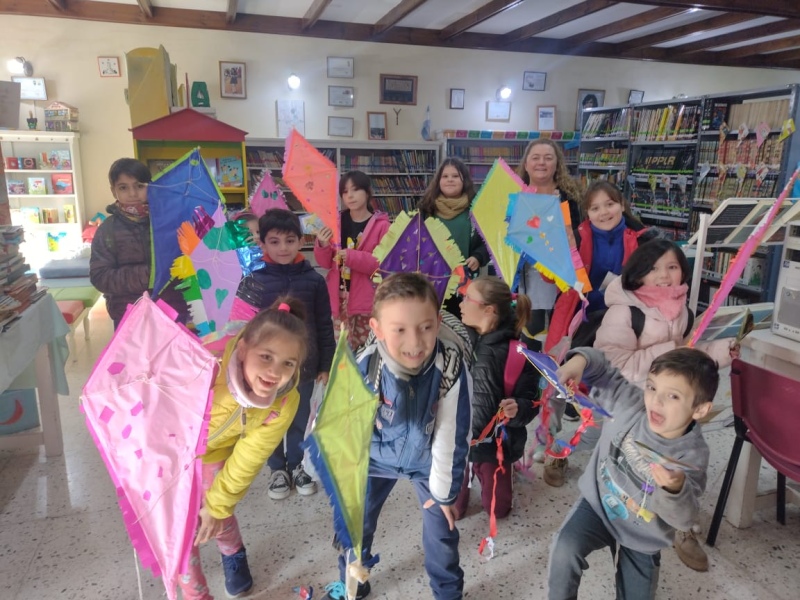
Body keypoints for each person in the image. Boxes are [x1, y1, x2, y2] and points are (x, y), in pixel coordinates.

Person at [321, 273, 472, 600]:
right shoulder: (364, 365)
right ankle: (353, 583)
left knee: (442, 533)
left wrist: (445, 494)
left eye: (426, 327)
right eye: (400, 329)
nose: (415, 342)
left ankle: (448, 593)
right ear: (376, 329)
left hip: (426, 463)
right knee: (354, 528)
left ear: (438, 320)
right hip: (373, 460)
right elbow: (340, 431)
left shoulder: (449, 365)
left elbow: (452, 434)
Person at [592, 238, 739, 572]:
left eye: (672, 267)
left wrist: (721, 352)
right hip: (630, 402)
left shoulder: (682, 309)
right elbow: (612, 363)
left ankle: (682, 527)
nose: (663, 275)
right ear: (638, 273)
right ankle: (561, 458)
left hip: (671, 405)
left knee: (676, 466)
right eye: (654, 267)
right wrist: (669, 354)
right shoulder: (624, 311)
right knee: (612, 450)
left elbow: (691, 352)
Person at [547, 346, 720, 600]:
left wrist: (674, 489)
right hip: (598, 505)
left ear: (700, 410)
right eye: (651, 387)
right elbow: (602, 369)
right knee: (564, 550)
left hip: (645, 533)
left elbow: (683, 519)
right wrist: (580, 361)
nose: (656, 401)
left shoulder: (691, 455)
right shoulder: (629, 403)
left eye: (672, 396)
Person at [179, 298, 307, 600]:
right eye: (266, 356)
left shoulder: (285, 401)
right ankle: (195, 594)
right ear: (244, 348)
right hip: (171, 450)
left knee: (219, 512)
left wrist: (217, 507)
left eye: (288, 363)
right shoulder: (208, 362)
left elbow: (248, 459)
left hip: (215, 451)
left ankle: (232, 552)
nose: (275, 371)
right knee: (180, 531)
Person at [235, 208, 335, 500]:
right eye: (275, 242)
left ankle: (299, 465)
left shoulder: (314, 280)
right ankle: (277, 468)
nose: (283, 248)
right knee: (269, 419)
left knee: (300, 419)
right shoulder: (253, 279)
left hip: (303, 366)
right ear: (262, 244)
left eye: (290, 241)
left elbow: (324, 325)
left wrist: (325, 363)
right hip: (266, 371)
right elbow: (244, 327)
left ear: (300, 241)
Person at [453, 276, 539, 521]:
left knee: (498, 510)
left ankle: (502, 476)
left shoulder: (519, 352)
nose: (460, 302)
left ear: (488, 309)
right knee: (454, 510)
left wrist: (518, 408)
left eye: (467, 297)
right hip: (458, 442)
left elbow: (531, 399)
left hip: (495, 447)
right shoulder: (456, 341)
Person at [90, 158, 188, 329]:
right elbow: (100, 277)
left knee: (172, 356)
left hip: (171, 311)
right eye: (123, 187)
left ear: (150, 187)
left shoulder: (169, 223)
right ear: (114, 191)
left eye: (139, 186)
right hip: (130, 315)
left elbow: (185, 262)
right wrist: (150, 274)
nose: (133, 193)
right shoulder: (108, 230)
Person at [315, 170, 390, 350]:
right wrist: (323, 244)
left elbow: (384, 264)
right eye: (345, 191)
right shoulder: (336, 222)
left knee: (368, 348)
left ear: (367, 192)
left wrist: (352, 257)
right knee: (341, 350)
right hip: (339, 299)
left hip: (366, 300)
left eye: (355, 190)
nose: (350, 195)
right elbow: (326, 264)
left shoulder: (382, 226)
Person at [514, 140, 582, 337]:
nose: (541, 163)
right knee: (528, 333)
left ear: (557, 164)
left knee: (557, 332)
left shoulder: (568, 197)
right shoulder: (517, 196)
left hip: (561, 278)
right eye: (535, 158)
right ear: (526, 164)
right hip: (526, 277)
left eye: (548, 158)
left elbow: (578, 236)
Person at [418, 157, 489, 315]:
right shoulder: (426, 209)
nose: (450, 180)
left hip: (465, 283)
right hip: (432, 280)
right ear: (438, 181)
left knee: (463, 325)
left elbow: (487, 242)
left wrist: (478, 257)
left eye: (455, 176)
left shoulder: (476, 209)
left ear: (464, 180)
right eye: (445, 176)